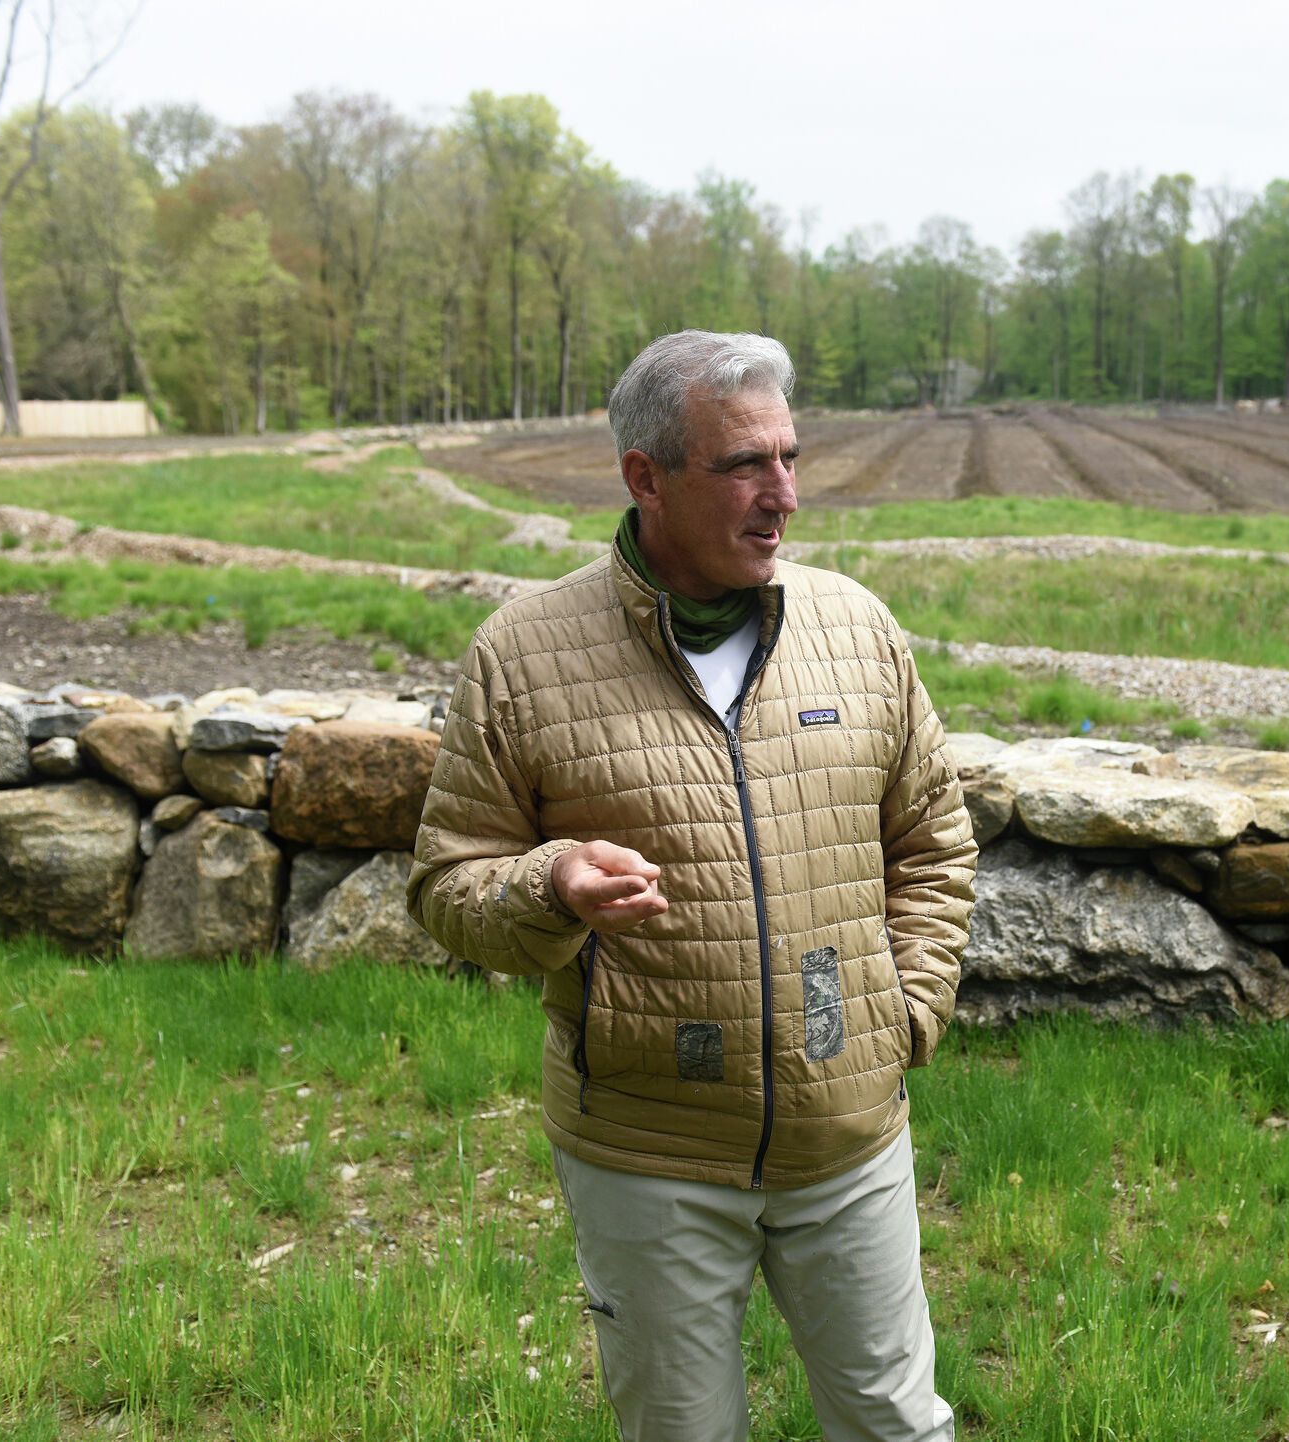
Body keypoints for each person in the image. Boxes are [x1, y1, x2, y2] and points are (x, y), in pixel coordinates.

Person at [407, 329, 977, 1441]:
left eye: (789, 457)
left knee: (896, 1424)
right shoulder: (522, 655)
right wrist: (548, 884)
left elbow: (931, 840)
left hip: (848, 1134)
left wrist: (903, 1010)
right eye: (744, 466)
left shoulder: (855, 630)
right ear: (645, 477)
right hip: (647, 1148)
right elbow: (445, 883)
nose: (784, 497)